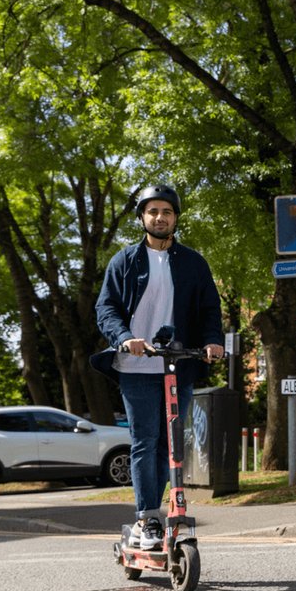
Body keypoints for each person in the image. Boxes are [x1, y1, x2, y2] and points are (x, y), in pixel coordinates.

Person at [92, 184, 224, 551]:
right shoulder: (124, 261)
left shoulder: (193, 263)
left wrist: (213, 341)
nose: (160, 217)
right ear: (142, 218)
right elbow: (106, 308)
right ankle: (146, 518)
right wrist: (124, 337)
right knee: (145, 441)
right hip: (136, 365)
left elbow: (209, 309)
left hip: (177, 367)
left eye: (166, 211)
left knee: (171, 445)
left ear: (176, 218)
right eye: (152, 212)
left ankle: (155, 514)